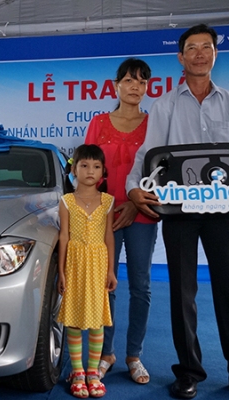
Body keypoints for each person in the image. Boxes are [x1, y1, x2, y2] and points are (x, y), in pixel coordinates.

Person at [125, 24, 229, 400]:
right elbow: (148, 154)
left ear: (215, 54)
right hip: (179, 209)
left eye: (206, 47)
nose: (199, 53)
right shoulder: (165, 105)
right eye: (192, 48)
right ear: (180, 57)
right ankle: (188, 373)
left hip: (222, 209)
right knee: (182, 293)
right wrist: (134, 188)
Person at [84, 57, 158, 385]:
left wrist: (133, 203)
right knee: (106, 285)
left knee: (141, 286)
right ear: (116, 86)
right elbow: (88, 171)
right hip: (104, 217)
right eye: (129, 80)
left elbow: (160, 172)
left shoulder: (154, 124)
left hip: (143, 214)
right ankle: (106, 353)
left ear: (147, 87)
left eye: (141, 81)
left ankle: (134, 355)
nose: (135, 87)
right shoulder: (99, 123)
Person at [57, 144, 117, 398]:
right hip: (74, 263)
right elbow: (63, 236)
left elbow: (109, 236)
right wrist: (61, 271)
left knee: (96, 319)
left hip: (98, 264)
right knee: (73, 318)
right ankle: (78, 372)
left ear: (103, 171)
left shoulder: (108, 201)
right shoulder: (66, 201)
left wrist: (111, 270)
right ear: (74, 169)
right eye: (84, 165)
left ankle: (93, 372)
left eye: (96, 166)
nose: (90, 171)